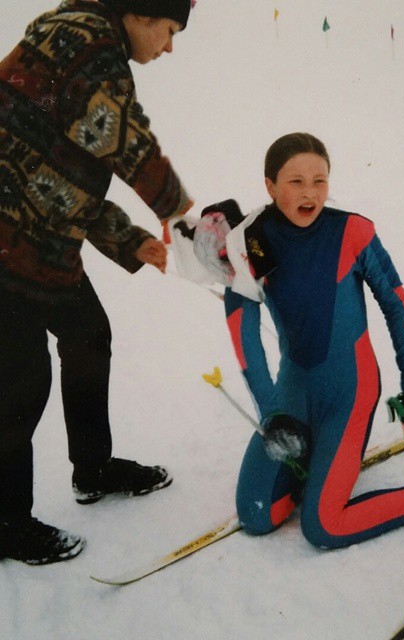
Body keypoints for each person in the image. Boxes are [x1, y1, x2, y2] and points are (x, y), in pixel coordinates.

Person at [216, 132, 404, 550]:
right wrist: (273, 413)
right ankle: (316, 464)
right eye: (295, 182)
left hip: (350, 391)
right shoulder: (251, 242)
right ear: (270, 186)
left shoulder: (352, 232)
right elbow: (243, 330)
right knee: (257, 514)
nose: (310, 193)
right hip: (293, 392)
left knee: (324, 526)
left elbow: (396, 304)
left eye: (320, 180)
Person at [0, 0, 195, 565]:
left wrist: (130, 240)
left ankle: (93, 468)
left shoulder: (84, 40)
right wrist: (177, 209)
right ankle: (7, 521)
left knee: (87, 334)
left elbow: (67, 169)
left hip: (37, 238)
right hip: (9, 242)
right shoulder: (88, 41)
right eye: (170, 29)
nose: (169, 46)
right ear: (142, 11)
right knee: (19, 380)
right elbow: (119, 137)